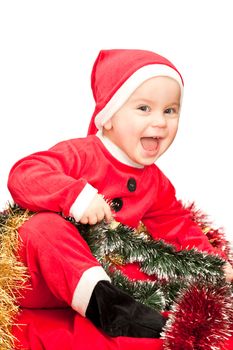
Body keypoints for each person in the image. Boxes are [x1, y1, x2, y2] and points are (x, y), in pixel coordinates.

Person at [8, 49, 233, 349]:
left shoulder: (154, 181)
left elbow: (176, 225)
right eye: (144, 108)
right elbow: (24, 173)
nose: (161, 122)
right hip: (39, 278)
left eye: (170, 110)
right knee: (43, 228)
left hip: (100, 278)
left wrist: (215, 265)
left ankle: (127, 314)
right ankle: (111, 307)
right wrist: (76, 196)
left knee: (146, 261)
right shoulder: (83, 153)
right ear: (109, 119)